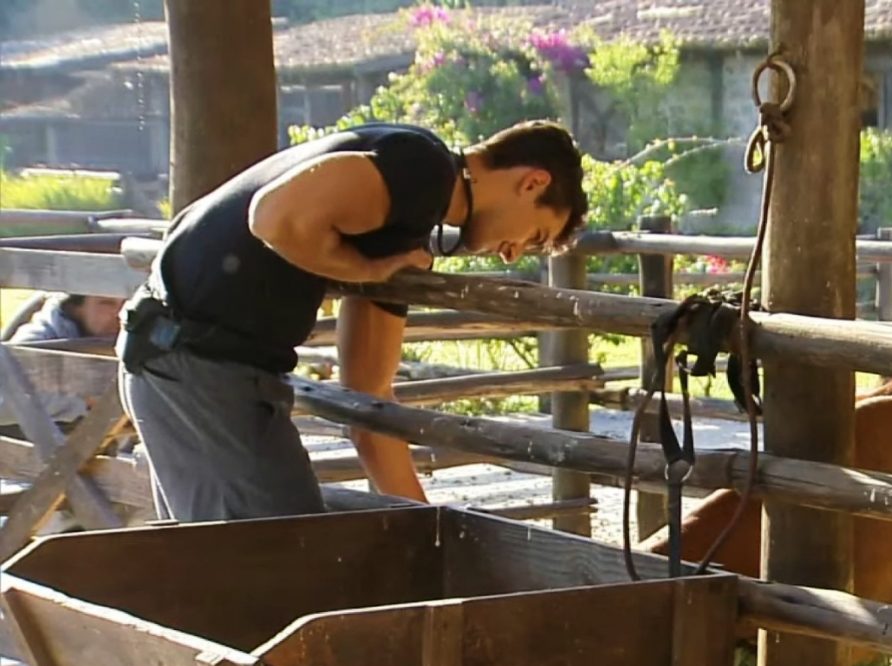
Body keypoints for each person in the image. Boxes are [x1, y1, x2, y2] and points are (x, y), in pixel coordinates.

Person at [116, 120, 588, 522]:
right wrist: (361, 271)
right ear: (533, 183)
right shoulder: (422, 166)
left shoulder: (406, 211)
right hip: (200, 371)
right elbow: (272, 217)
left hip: (179, 363)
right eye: (534, 235)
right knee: (273, 567)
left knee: (234, 575)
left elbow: (370, 396)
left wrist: (424, 529)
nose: (511, 253)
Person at [1, 294, 124, 437]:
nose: (120, 313)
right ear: (76, 307)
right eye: (106, 303)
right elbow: (3, 399)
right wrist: (81, 404)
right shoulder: (41, 335)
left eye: (127, 302)